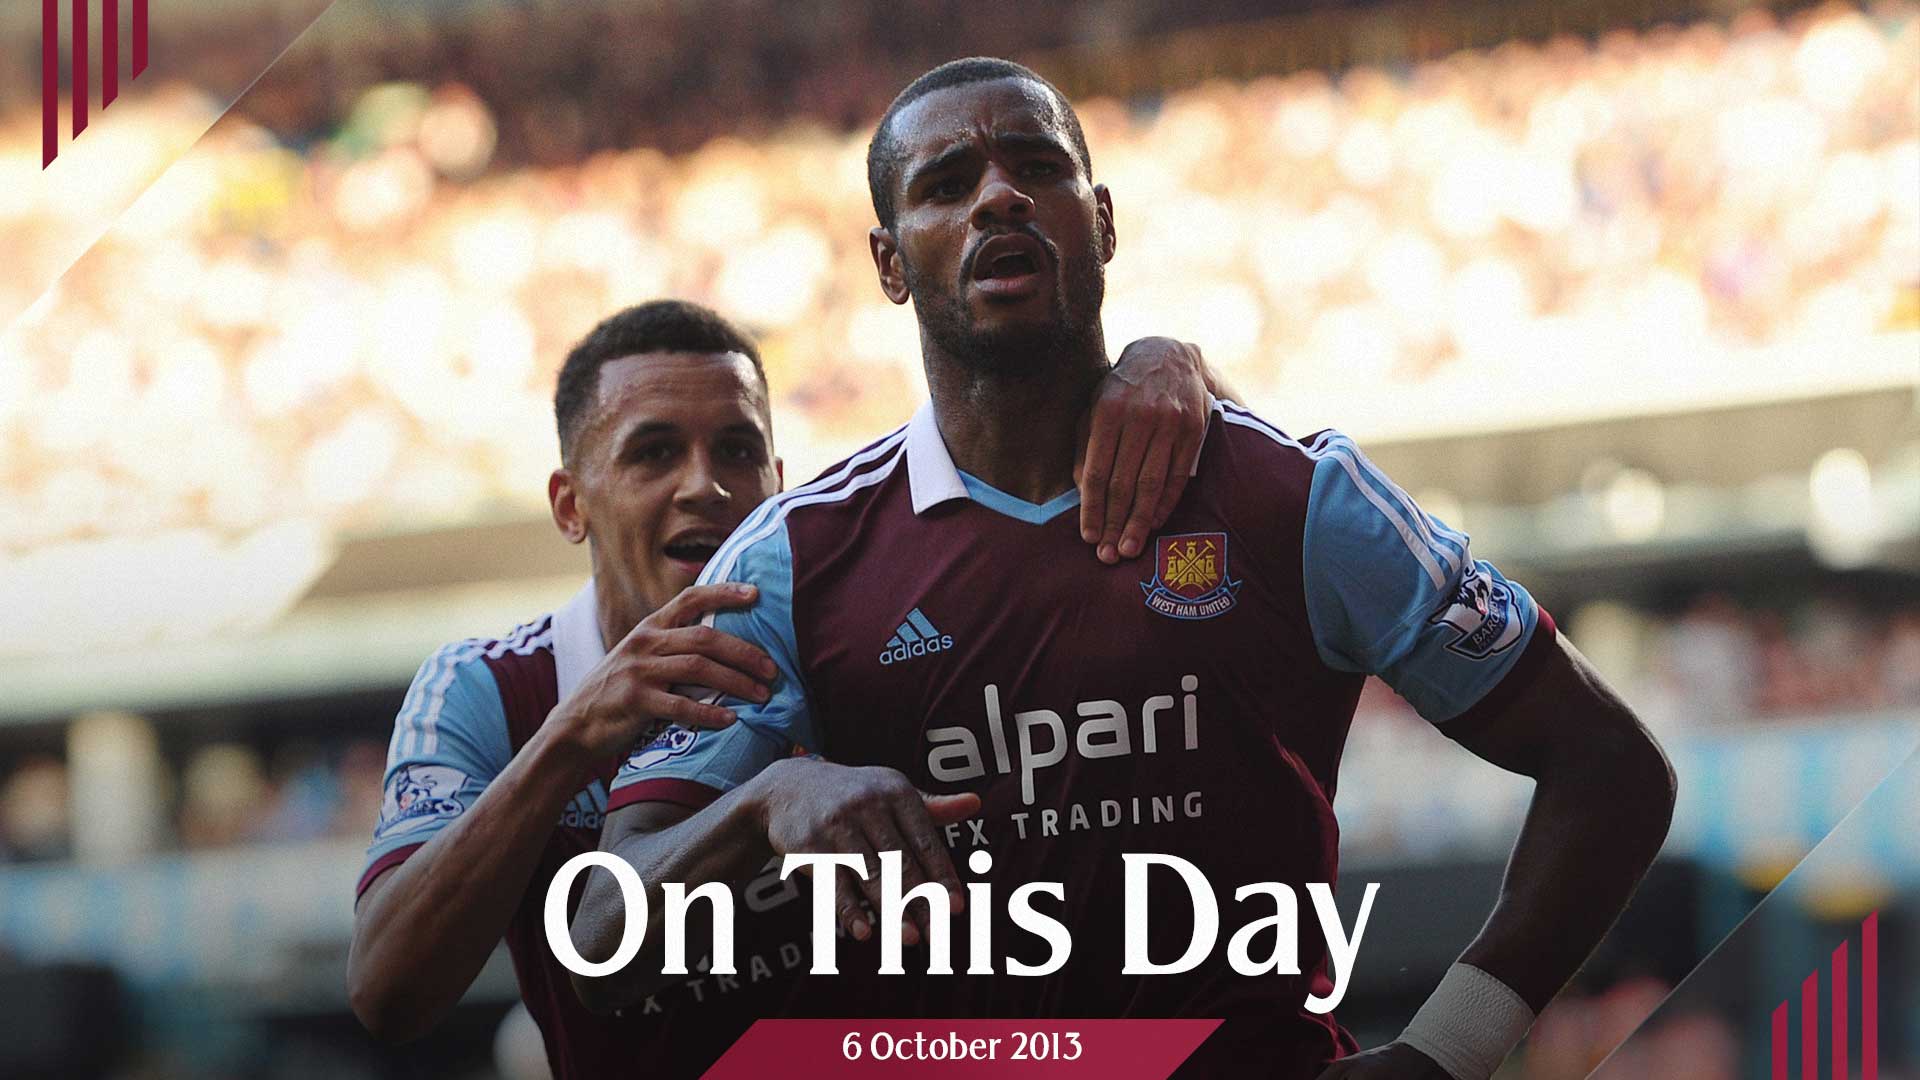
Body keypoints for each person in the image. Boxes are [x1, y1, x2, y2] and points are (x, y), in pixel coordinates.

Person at [571, 59, 1676, 1080]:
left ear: (1101, 222)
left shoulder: (1297, 499)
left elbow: (1613, 769)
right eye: (947, 183)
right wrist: (767, 796)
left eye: (1037, 168)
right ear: (889, 263)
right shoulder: (795, 559)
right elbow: (601, 925)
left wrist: (1446, 1053)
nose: (998, 198)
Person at [345, 297, 1222, 1076]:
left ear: (779, 483)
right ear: (571, 505)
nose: (705, 485)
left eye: (738, 449)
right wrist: (570, 740)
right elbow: (388, 994)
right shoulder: (487, 690)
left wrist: (1178, 367)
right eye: (653, 454)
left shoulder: (862, 630)